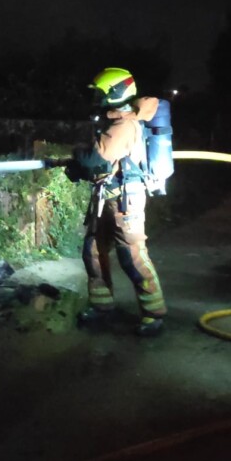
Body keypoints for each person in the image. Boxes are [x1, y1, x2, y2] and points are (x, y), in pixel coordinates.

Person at [67, 67, 168, 337]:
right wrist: (80, 165)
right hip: (105, 197)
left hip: (125, 201)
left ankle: (154, 314)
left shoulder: (124, 124)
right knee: (93, 251)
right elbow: (98, 163)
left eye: (101, 92)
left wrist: (78, 159)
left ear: (116, 93)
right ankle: (102, 308)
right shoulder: (113, 122)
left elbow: (95, 159)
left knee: (131, 256)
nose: (97, 97)